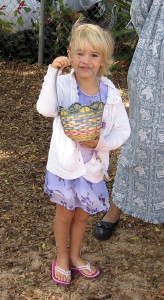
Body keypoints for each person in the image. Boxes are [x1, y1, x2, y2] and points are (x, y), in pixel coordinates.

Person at [36, 21, 131, 285]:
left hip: (92, 169)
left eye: (93, 55)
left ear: (103, 60)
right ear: (70, 53)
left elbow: (123, 131)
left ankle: (76, 256)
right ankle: (62, 257)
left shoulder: (109, 92)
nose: (85, 60)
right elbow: (45, 109)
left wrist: (100, 143)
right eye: (79, 53)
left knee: (82, 215)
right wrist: (52, 72)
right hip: (66, 167)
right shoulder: (64, 85)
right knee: (65, 214)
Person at [94, 0, 164, 241]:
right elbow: (140, 9)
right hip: (155, 60)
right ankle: (118, 207)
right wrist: (153, 40)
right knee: (142, 138)